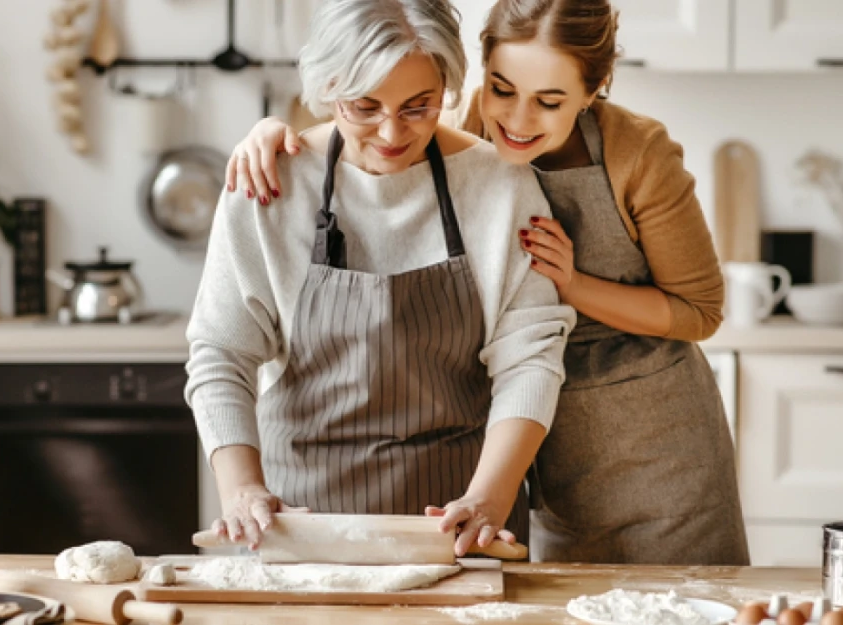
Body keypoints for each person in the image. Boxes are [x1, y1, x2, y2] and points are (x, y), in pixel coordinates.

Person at [220, 0, 749, 565]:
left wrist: (572, 285)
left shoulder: (635, 155)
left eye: (550, 101)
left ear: (593, 93)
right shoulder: (464, 135)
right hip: (540, 447)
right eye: (502, 89)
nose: (518, 121)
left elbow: (700, 311)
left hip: (651, 442)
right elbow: (376, 117)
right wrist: (274, 132)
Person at [184, 0, 574, 557]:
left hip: (460, 527)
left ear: (448, 87)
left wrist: (489, 498)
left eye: (420, 107)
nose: (393, 133)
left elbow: (530, 356)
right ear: (328, 88)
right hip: (301, 525)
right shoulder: (271, 183)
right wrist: (242, 487)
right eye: (364, 107)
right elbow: (221, 351)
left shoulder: (498, 185)